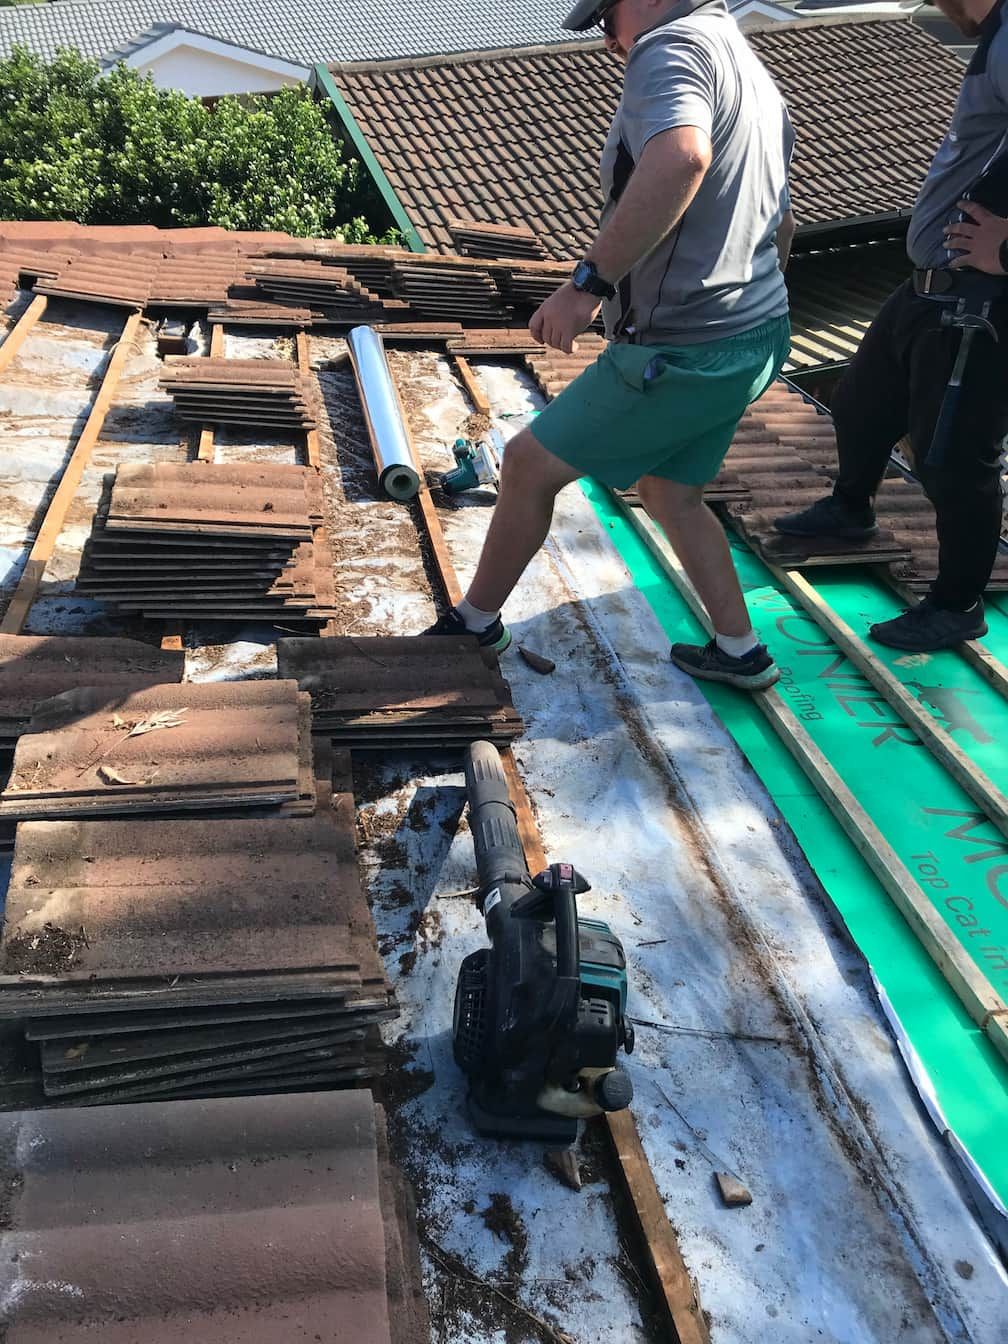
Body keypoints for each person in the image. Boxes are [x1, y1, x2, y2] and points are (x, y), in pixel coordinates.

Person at [424, 0, 795, 691]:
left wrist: (587, 286)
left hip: (685, 347)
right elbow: (781, 215)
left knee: (529, 464)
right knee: (670, 489)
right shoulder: (740, 53)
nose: (607, 40)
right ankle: (742, 650)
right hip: (755, 334)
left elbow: (683, 156)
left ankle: (475, 624)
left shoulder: (669, 48)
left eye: (608, 18)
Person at [775, 0, 1008, 652]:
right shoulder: (996, 37)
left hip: (981, 306)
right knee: (862, 402)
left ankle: (957, 604)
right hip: (930, 290)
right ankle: (851, 507)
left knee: (957, 461)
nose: (934, 4)